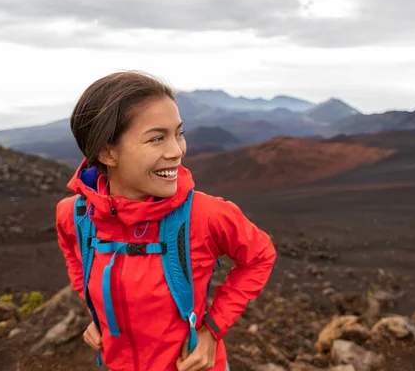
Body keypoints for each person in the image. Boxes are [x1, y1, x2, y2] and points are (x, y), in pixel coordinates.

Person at [55, 71, 277, 371]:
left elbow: (260, 256)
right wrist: (98, 314)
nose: (177, 151)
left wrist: (212, 329)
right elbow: (76, 257)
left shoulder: (206, 214)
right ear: (108, 152)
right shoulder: (75, 216)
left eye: (178, 134)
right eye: (157, 138)